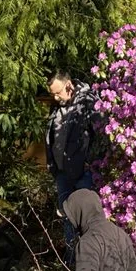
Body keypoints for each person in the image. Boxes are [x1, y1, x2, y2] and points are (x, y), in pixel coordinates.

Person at [46, 71, 97, 251]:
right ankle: (71, 261)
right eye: (52, 94)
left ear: (69, 85)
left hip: (83, 173)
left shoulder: (89, 102)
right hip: (62, 173)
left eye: (58, 92)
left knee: (84, 219)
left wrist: (90, 162)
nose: (55, 97)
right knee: (67, 217)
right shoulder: (56, 106)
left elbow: (100, 134)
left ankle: (88, 261)